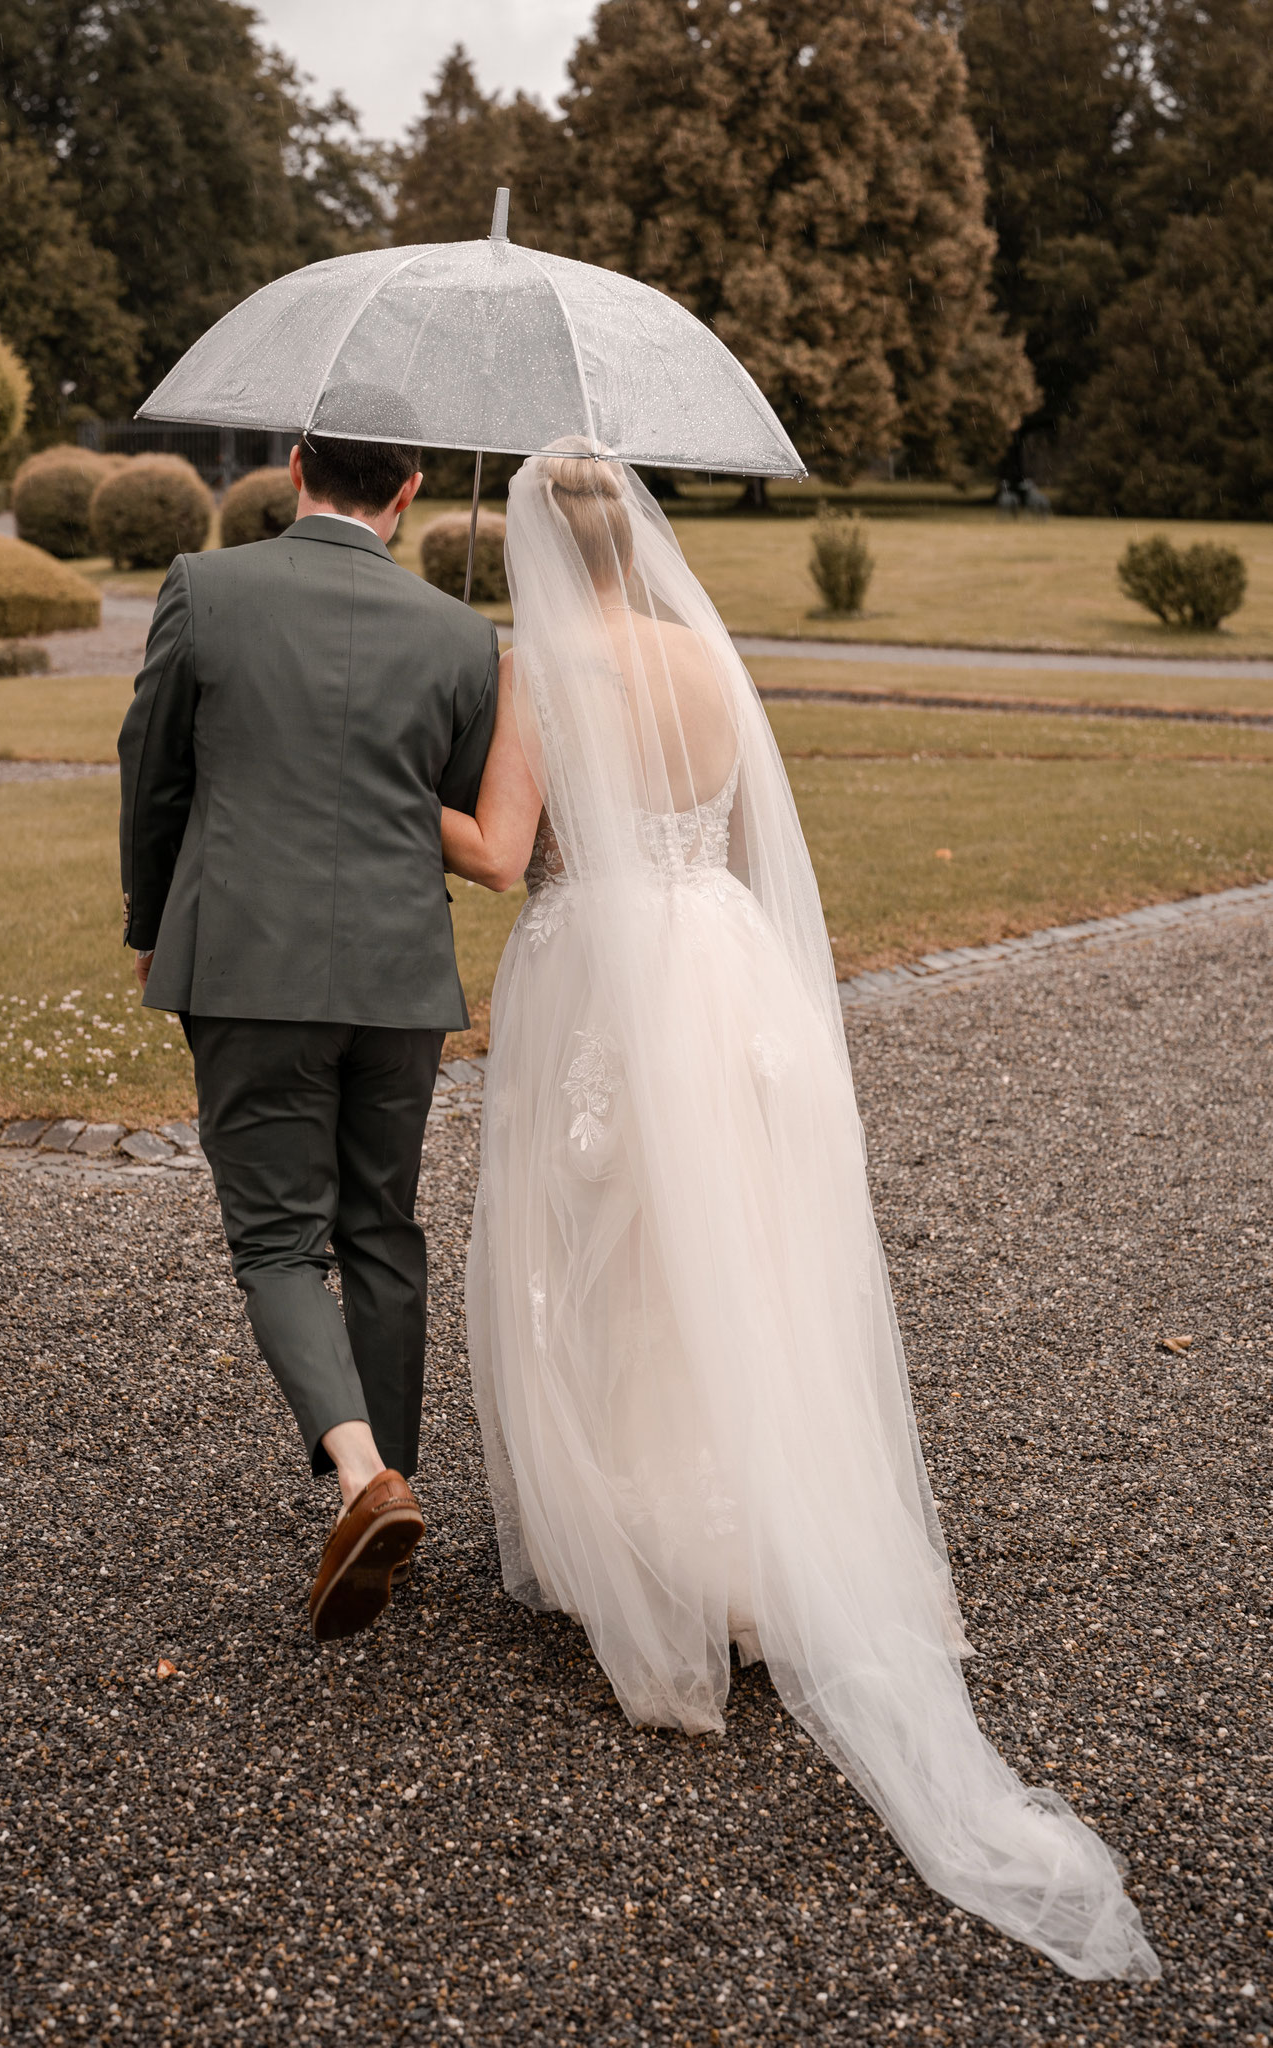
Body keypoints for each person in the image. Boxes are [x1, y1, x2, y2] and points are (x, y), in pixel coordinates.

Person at [440, 442, 1161, 1982]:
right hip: (725, 962)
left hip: (608, 977)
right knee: (750, 1251)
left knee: (625, 1263)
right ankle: (772, 1557)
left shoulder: (539, 669)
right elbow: (748, 838)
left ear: (535, 550)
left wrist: (387, 792)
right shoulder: (705, 651)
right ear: (634, 534)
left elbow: (503, 857)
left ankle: (660, 1565)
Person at [118, 433, 498, 1641]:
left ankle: (362, 1475)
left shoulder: (207, 587)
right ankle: (392, 1476)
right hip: (398, 974)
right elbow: (461, 798)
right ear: (411, 491)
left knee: (278, 1240)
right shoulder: (458, 633)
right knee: (382, 1224)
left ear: (293, 467)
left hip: (247, 958)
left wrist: (146, 917)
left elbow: (153, 768)